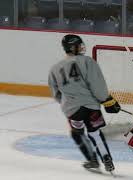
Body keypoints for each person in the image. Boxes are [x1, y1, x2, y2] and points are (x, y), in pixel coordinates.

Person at [48, 34, 121, 172]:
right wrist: (106, 100)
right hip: (91, 106)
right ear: (71, 47)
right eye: (78, 45)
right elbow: (97, 85)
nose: (81, 47)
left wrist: (66, 102)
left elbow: (56, 94)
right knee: (95, 133)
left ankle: (92, 159)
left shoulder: (55, 68)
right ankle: (106, 158)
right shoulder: (87, 61)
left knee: (77, 133)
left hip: (72, 110)